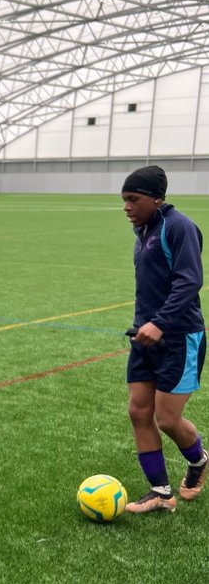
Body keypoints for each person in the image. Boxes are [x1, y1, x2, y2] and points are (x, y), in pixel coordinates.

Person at [121, 164, 207, 514]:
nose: (126, 206)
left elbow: (190, 281)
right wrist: (145, 325)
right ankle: (160, 492)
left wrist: (160, 322)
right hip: (145, 336)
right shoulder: (143, 232)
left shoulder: (179, 227)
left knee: (168, 418)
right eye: (123, 200)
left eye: (133, 199)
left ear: (156, 198)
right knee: (138, 411)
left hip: (178, 335)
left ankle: (199, 460)